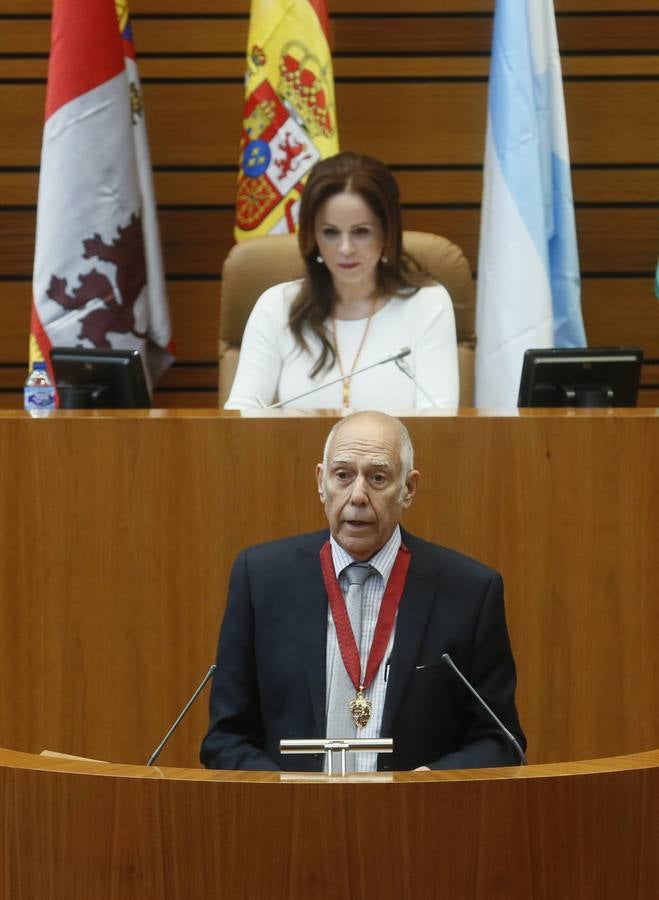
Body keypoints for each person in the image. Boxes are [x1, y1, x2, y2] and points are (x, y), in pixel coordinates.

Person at [201, 411, 525, 772]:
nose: (357, 496)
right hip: (289, 822)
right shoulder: (260, 578)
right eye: (343, 475)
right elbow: (224, 739)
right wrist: (288, 798)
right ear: (321, 482)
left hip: (413, 820)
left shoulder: (469, 592)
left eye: (378, 478)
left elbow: (502, 741)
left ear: (409, 489)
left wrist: (432, 786)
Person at [224, 152, 460, 411]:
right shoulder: (277, 306)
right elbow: (240, 419)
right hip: (294, 452)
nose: (345, 248)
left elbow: (439, 426)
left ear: (387, 231)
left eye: (361, 232)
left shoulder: (427, 304)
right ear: (312, 235)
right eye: (330, 232)